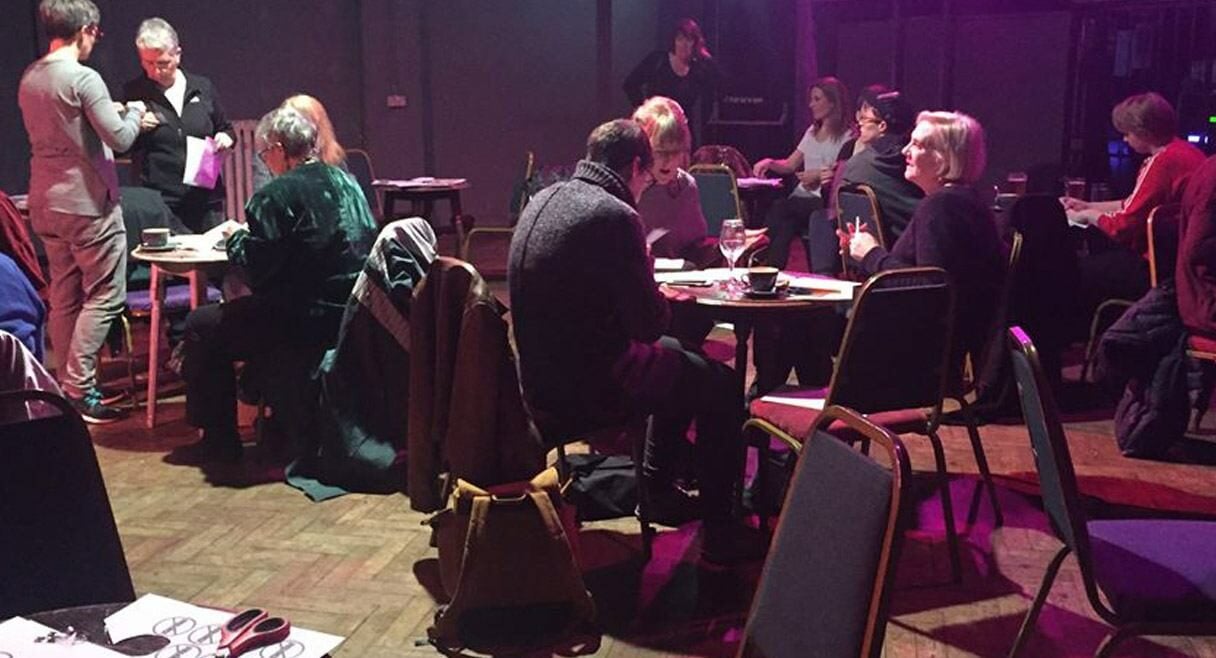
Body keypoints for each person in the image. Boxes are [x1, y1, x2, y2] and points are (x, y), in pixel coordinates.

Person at [508, 119, 760, 564]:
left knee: (682, 359)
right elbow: (647, 324)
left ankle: (659, 490)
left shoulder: (545, 197)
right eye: (646, 176)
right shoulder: (614, 215)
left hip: (537, 379)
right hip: (593, 389)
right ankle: (722, 535)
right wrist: (654, 285)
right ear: (637, 166)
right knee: (719, 386)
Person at [181, 107, 376, 461]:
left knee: (200, 325)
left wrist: (235, 240)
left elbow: (260, 269)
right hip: (351, 313)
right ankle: (267, 410)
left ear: (278, 149)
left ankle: (219, 442)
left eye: (263, 153)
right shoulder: (348, 182)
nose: (264, 161)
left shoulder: (276, 195)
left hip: (299, 319)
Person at [19, 0, 146, 423]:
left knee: (64, 295)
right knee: (106, 296)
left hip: (44, 201)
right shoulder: (82, 78)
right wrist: (136, 112)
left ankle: (62, 389)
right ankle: (80, 389)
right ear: (87, 29)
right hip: (87, 203)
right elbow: (121, 138)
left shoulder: (30, 77)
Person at [848, 111, 1005, 376]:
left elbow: (931, 289)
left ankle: (814, 406)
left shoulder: (942, 206)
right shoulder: (961, 201)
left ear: (944, 158)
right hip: (924, 347)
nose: (905, 151)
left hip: (917, 360)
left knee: (808, 322)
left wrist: (871, 254)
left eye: (918, 145)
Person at [1063, 92, 1205, 308]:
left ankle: (1084, 337)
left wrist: (1085, 215)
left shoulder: (1161, 163)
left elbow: (1123, 227)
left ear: (1143, 131)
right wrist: (1089, 205)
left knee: (1074, 270)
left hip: (1157, 268)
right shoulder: (1186, 153)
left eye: (1127, 132)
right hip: (1182, 264)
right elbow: (1136, 204)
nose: (1124, 139)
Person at [122, 17, 233, 234]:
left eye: (162, 63)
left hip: (205, 197)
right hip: (161, 200)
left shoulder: (202, 87)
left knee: (212, 261)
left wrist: (225, 138)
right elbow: (121, 146)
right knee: (171, 265)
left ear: (177, 54)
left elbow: (225, 128)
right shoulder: (135, 92)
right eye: (147, 63)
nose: (155, 71)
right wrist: (134, 125)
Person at [753, 77, 854, 270]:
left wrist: (816, 175)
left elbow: (841, 170)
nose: (811, 105)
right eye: (811, 99)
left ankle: (761, 260)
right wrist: (770, 162)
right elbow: (791, 164)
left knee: (782, 208)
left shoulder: (848, 136)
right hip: (800, 198)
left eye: (817, 99)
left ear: (832, 102)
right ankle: (772, 270)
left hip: (822, 198)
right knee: (785, 222)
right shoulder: (812, 131)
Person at [837, 87, 923, 248]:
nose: (859, 123)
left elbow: (838, 208)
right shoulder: (923, 161)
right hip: (926, 249)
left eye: (864, 119)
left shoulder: (857, 165)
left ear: (882, 125)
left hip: (879, 254)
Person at [631, 96, 707, 259]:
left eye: (675, 151)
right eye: (660, 152)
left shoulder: (686, 187)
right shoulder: (626, 186)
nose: (669, 160)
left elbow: (696, 247)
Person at [624, 18, 717, 143]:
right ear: (673, 41)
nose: (684, 44)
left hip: (682, 131)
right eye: (680, 39)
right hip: (655, 127)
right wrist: (644, 109)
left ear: (695, 43)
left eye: (689, 39)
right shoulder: (657, 60)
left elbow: (712, 96)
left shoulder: (698, 69)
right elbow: (630, 84)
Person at [253, 94, 347, 191]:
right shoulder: (267, 155)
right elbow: (264, 192)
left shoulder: (334, 157)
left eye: (304, 123)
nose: (298, 128)